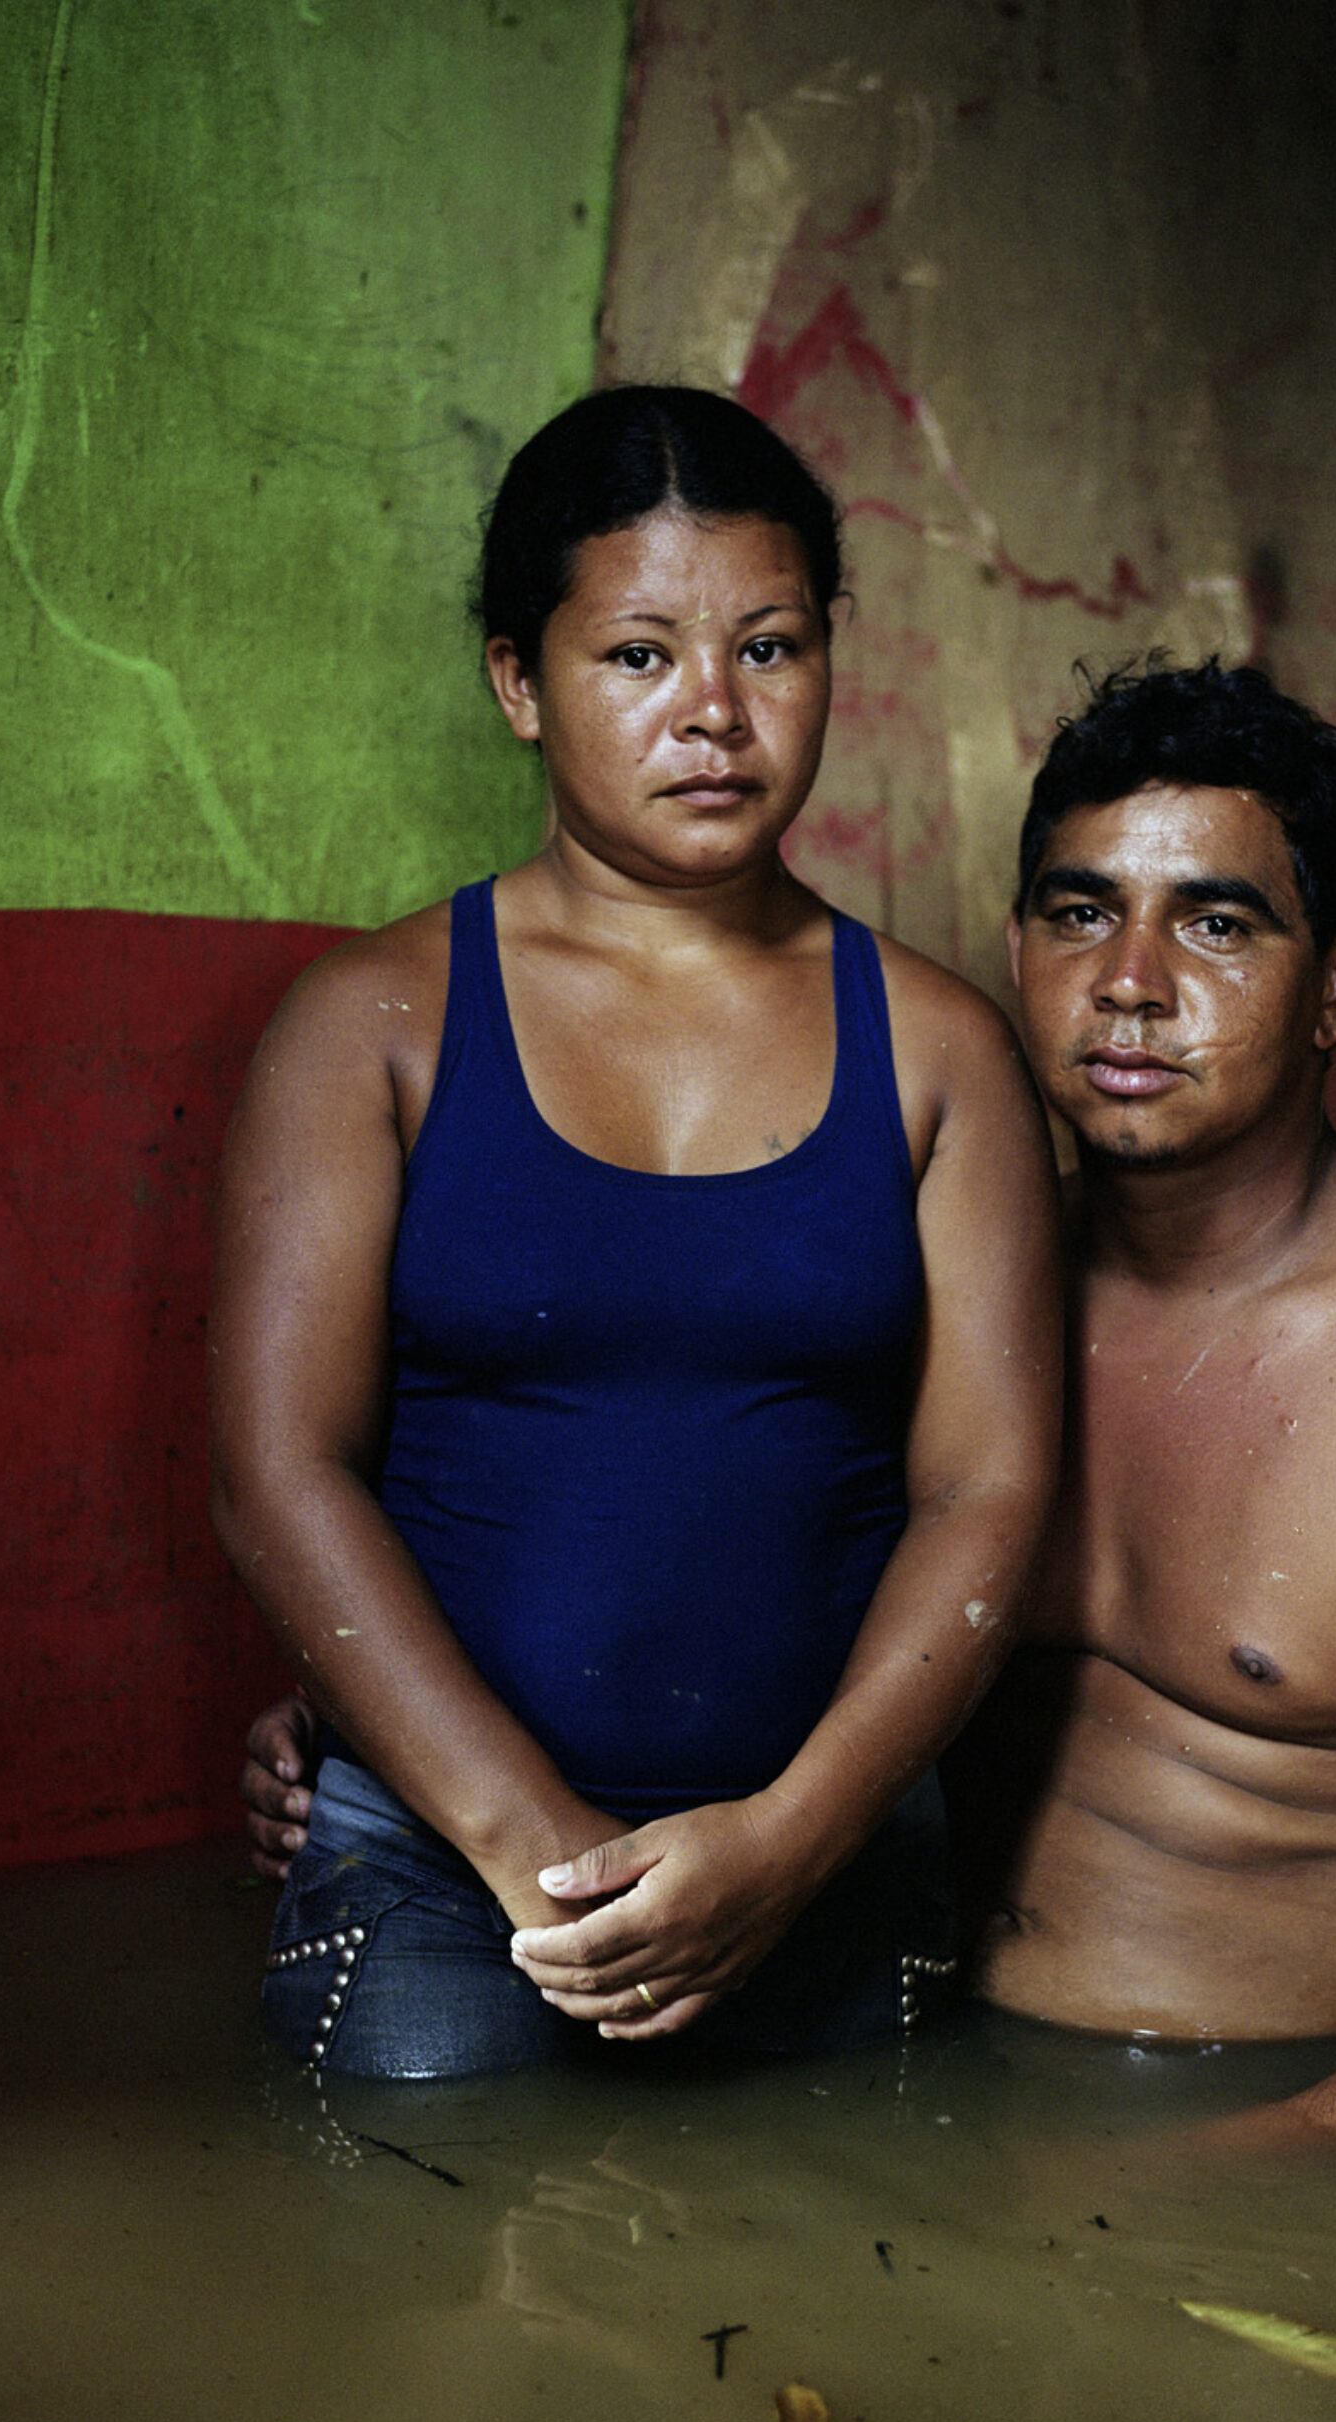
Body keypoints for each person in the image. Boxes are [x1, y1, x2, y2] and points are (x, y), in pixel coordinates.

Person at [245, 658, 1336, 2142]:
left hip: (1279, 2131)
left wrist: (1261, 2174)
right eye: (1082, 914)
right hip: (911, 2077)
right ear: (1015, 950)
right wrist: (366, 1731)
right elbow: (693, 1551)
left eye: (1217, 922)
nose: (1133, 985)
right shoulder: (931, 1290)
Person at [210, 386, 1059, 2078]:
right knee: (412, 2280)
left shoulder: (947, 1051)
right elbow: (276, 1472)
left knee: (873, 2299)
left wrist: (793, 1840)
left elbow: (993, 1491)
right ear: (519, 683)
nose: (716, 717)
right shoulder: (370, 1023)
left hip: (828, 1855)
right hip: (451, 1872)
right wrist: (538, 1854)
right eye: (638, 658)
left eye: (771, 648)